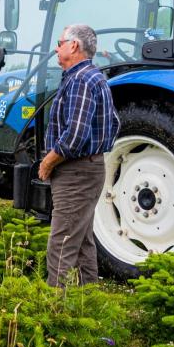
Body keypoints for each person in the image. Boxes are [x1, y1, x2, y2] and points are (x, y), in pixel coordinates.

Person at [38, 24, 120, 287]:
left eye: (60, 42)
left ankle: (55, 310)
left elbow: (74, 135)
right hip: (88, 168)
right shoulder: (91, 77)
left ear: (73, 46)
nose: (56, 47)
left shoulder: (81, 79)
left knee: (60, 243)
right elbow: (114, 123)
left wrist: (48, 161)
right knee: (83, 238)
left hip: (75, 171)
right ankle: (90, 297)